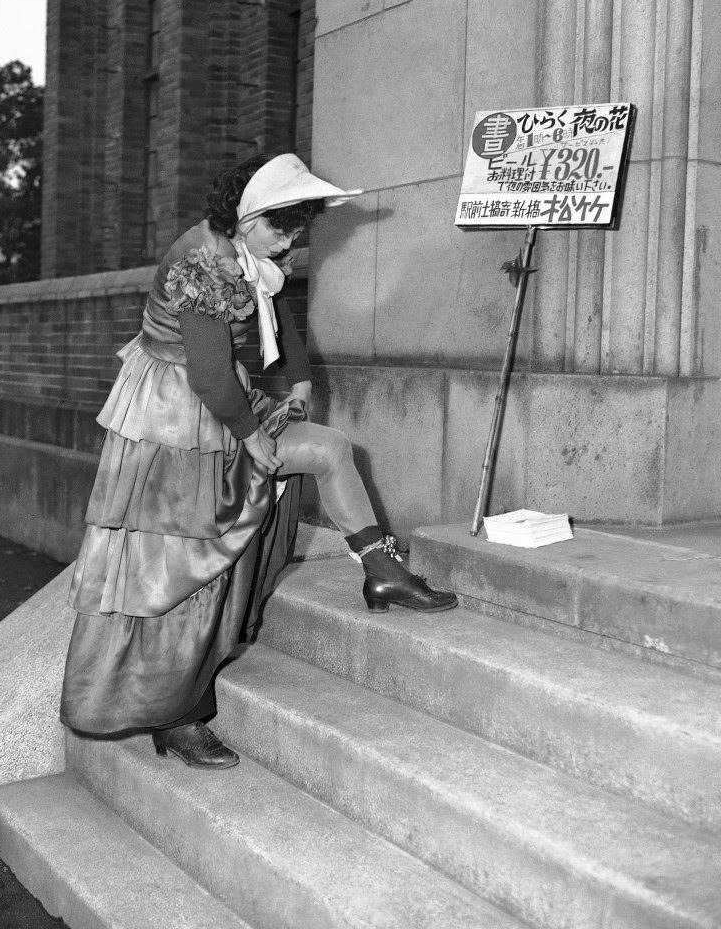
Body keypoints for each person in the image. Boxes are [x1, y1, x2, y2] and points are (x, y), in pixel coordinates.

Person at [60, 152, 458, 770]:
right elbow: (210, 374)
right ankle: (176, 717)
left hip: (216, 405)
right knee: (185, 565)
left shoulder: (250, 249)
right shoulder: (202, 262)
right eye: (283, 227)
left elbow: (276, 311)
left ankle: (382, 571)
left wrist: (296, 378)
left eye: (298, 228)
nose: (290, 240)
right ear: (248, 216)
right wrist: (251, 433)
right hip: (177, 421)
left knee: (328, 450)